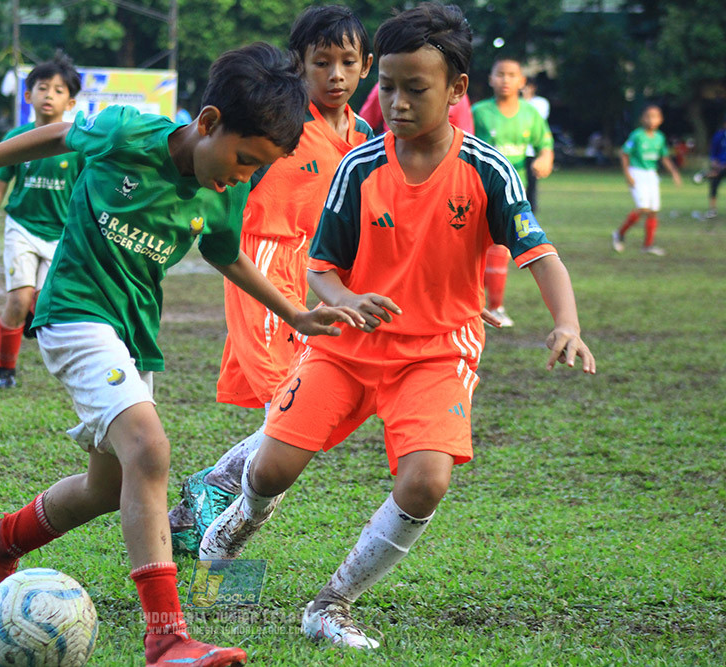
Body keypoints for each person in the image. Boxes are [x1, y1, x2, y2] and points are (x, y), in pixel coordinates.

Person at [0, 43, 363, 667]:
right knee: (150, 449)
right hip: (73, 315)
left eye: (260, 169)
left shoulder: (224, 191)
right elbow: (58, 135)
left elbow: (226, 254)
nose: (244, 176)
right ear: (210, 121)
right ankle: (167, 636)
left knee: (107, 484)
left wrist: (296, 312)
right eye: (245, 160)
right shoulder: (125, 131)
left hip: (132, 336)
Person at [198, 3, 595, 651]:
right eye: (389, 87)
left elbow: (539, 253)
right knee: (270, 470)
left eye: (415, 88)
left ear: (456, 89)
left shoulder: (488, 171)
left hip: (437, 353)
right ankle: (224, 538)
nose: (397, 102)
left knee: (426, 479)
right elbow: (322, 266)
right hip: (346, 348)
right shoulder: (360, 167)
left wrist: (566, 322)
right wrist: (344, 297)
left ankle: (332, 603)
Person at [167, 4, 375, 556]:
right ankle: (221, 562)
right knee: (290, 418)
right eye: (321, 62)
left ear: (365, 67)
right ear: (298, 66)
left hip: (318, 273)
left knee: (301, 419)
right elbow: (221, 180)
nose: (334, 75)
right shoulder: (278, 126)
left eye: (347, 62)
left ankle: (201, 500)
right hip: (261, 265)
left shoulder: (364, 135)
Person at [0, 53, 83, 389]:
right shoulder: (16, 138)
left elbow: (88, 190)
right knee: (18, 298)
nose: (49, 95)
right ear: (28, 95)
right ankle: (5, 370)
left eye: (59, 90)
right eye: (42, 88)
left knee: (47, 304)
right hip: (23, 228)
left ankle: (34, 313)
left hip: (61, 234)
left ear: (70, 102)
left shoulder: (78, 143)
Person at [471, 58, 554, 327]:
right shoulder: (479, 112)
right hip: (479, 186)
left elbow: (546, 144)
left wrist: (545, 158)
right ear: (491, 79)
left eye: (512, 75)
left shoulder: (531, 114)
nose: (506, 79)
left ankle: (493, 306)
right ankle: (483, 305)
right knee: (480, 249)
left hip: (515, 189)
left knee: (499, 248)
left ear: (522, 82)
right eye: (500, 74)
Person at [611, 105, 682, 256]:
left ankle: (648, 245)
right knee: (643, 208)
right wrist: (627, 174)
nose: (651, 120)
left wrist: (674, 173)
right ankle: (619, 233)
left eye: (655, 116)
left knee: (653, 211)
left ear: (660, 120)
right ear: (642, 118)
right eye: (648, 116)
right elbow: (624, 154)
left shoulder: (660, 137)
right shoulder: (637, 135)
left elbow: (664, 157)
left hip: (651, 174)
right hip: (637, 172)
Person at [360, 79, 473, 134]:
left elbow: (464, 138)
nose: (399, 105)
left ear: (456, 90)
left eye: (417, 90)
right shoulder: (380, 88)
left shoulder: (458, 98)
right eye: (388, 88)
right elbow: (363, 128)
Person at [521, 78, 550, 212]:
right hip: (518, 151)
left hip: (531, 151)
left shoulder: (540, 102)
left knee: (531, 184)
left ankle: (530, 210)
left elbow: (537, 119)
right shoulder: (516, 104)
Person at [704, 115, 726, 218]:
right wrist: (715, 163)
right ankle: (712, 210)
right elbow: (713, 153)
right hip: (720, 167)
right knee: (713, 185)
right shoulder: (719, 136)